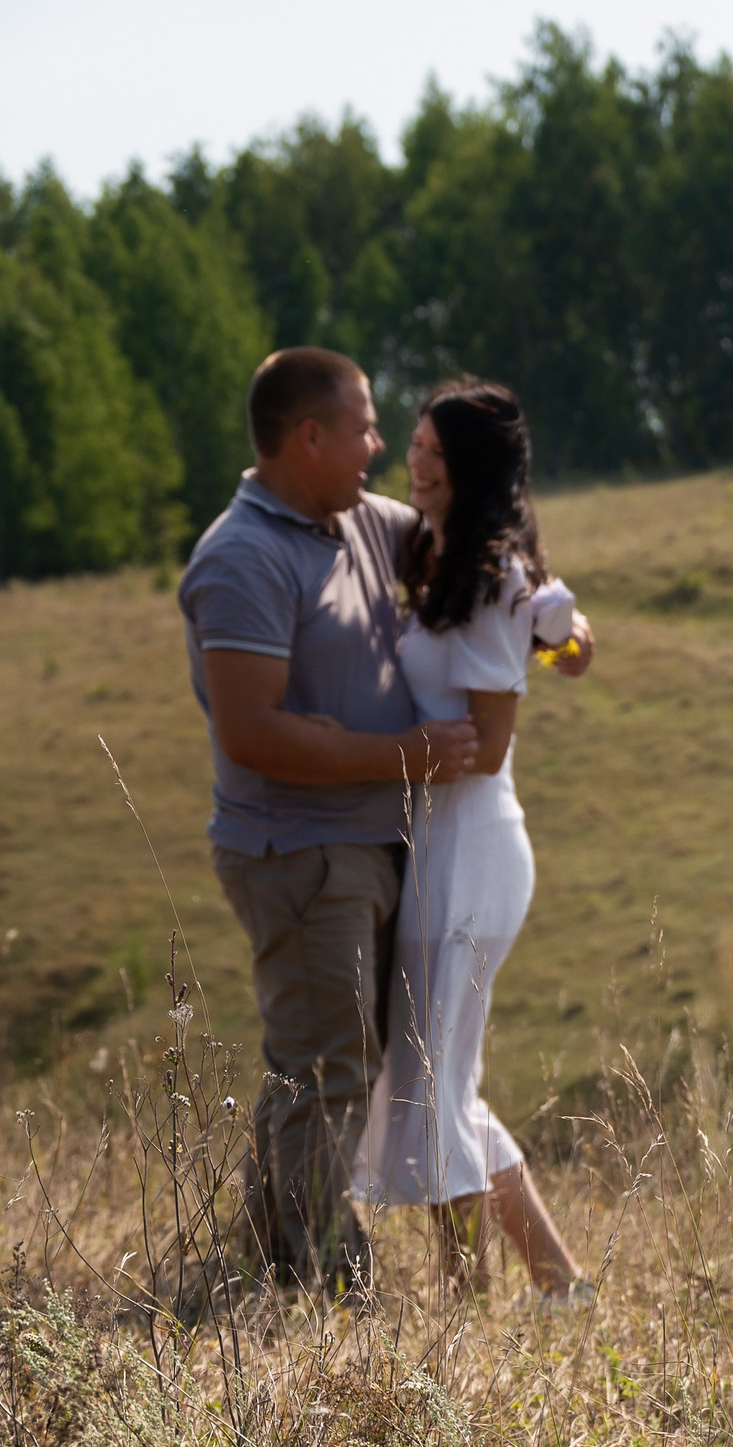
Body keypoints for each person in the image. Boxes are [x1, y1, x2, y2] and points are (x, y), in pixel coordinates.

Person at [180, 351, 545, 1291]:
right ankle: (317, 1278)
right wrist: (408, 757)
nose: (380, 448)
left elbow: (481, 549)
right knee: (329, 1065)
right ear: (310, 438)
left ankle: (278, 1252)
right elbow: (255, 731)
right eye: (367, 429)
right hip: (296, 847)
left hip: (376, 846)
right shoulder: (242, 557)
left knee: (340, 1058)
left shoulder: (361, 523)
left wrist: (566, 629)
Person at [351, 378, 590, 1299]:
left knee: (433, 1077)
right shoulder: (436, 553)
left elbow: (486, 749)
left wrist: (382, 759)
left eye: (436, 454)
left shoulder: (496, 575)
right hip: (436, 849)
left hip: (474, 848)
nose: (415, 462)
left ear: (473, 469)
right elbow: (564, 642)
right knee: (436, 1071)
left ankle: (465, 1298)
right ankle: (560, 1283)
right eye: (413, 444)